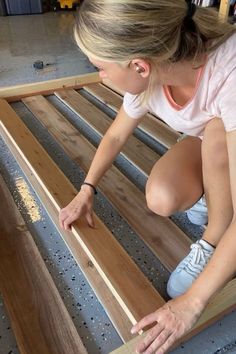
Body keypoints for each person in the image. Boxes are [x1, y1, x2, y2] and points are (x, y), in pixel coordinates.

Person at [59, 0, 236, 353]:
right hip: (214, 140)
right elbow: (115, 136)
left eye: (101, 68)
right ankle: (218, 195)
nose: (100, 77)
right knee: (162, 196)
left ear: (139, 65)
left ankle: (216, 234)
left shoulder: (228, 74)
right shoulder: (153, 72)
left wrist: (192, 304)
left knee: (217, 129)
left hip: (223, 133)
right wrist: (86, 189)